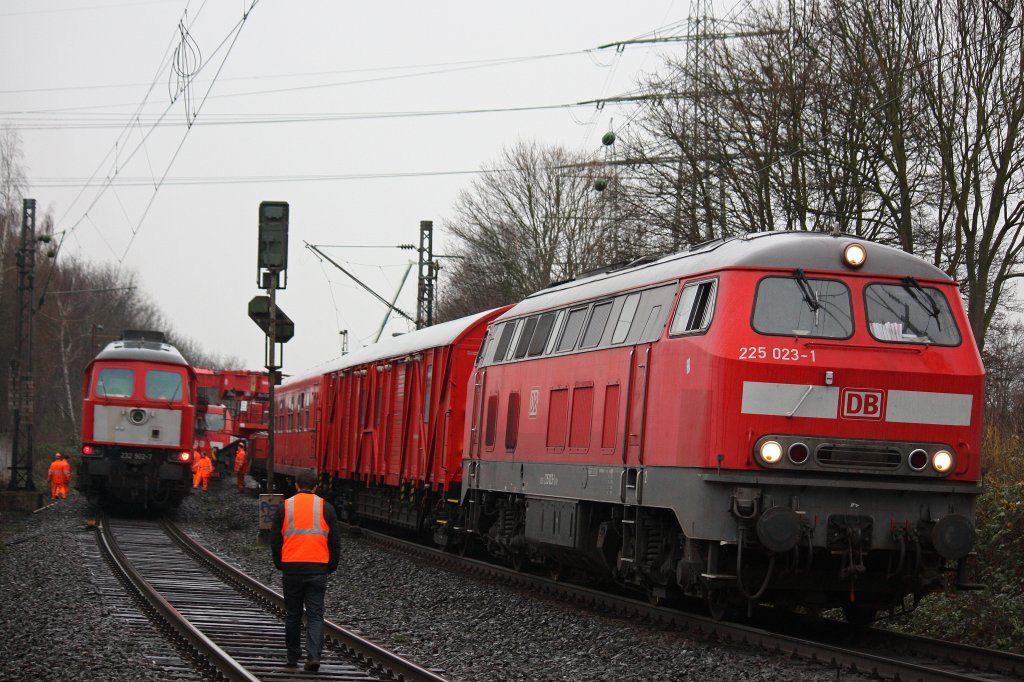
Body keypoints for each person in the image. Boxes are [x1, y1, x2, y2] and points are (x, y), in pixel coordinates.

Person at [271, 470, 340, 671]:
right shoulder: (326, 508)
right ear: (316, 487)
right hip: (318, 569)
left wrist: (279, 563)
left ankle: (292, 656)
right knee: (316, 615)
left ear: (296, 485)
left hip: (291, 568)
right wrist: (330, 567)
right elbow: (335, 543)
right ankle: (313, 656)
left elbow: (276, 540)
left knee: (293, 614)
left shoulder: (285, 507)